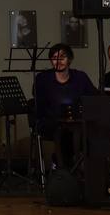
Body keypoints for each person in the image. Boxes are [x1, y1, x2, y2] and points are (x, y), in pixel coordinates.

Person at [32, 42, 99, 170]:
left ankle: (79, 168)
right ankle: (62, 168)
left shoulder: (80, 77)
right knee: (62, 131)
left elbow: (93, 96)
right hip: (52, 121)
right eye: (54, 57)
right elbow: (40, 105)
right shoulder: (43, 79)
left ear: (70, 59)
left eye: (62, 57)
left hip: (76, 121)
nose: (58, 61)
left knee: (85, 130)